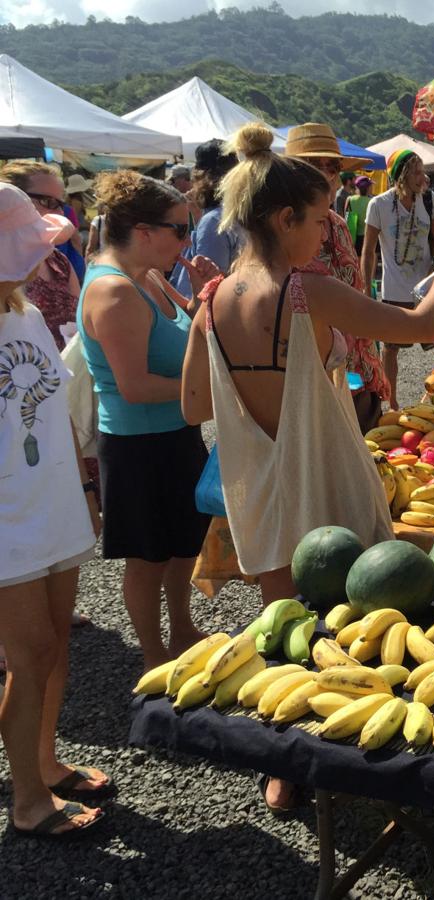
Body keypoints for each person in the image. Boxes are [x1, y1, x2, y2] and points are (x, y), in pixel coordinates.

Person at [180, 124, 434, 813]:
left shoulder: (215, 297)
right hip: (331, 487)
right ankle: (361, 761)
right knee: (359, 634)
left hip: (260, 495)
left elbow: (195, 401)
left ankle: (287, 773)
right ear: (284, 220)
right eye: (318, 219)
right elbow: (427, 327)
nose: (326, 231)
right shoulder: (309, 292)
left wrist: (205, 318)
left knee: (285, 633)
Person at [75, 171, 219, 670]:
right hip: (140, 446)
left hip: (175, 434)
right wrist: (210, 397)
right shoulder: (115, 292)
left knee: (183, 544)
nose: (187, 241)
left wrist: (204, 296)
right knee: (148, 557)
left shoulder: (149, 276)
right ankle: (153, 654)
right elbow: (133, 387)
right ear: (143, 231)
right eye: (181, 230)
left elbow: (194, 335)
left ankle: (181, 628)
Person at [0, 184, 108, 837]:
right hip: (8, 516)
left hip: (53, 502)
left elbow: (59, 412)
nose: (43, 254)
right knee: (30, 649)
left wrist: (87, 496)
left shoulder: (27, 316)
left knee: (57, 640)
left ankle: (43, 762)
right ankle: (28, 800)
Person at [283, 123, 390, 428]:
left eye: (333, 166)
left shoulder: (339, 224)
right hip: (315, 382)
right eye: (317, 166)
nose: (328, 174)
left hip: (360, 376)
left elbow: (356, 296)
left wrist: (375, 371)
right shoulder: (282, 229)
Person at [362, 149, 434, 399]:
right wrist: (367, 291)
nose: (422, 177)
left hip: (426, 288)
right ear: (402, 174)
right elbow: (368, 252)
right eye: (416, 172)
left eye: (423, 171)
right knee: (391, 348)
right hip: (394, 288)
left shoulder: (429, 200)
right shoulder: (379, 205)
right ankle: (393, 400)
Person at [170, 139, 242, 300]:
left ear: (200, 176)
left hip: (202, 312)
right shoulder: (234, 213)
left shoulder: (214, 220)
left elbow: (207, 284)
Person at [0, 162, 86, 281]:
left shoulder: (60, 262)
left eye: (61, 204)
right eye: (47, 201)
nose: (61, 213)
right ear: (12, 199)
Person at [345, 177, 372, 256]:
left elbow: (346, 216)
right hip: (367, 235)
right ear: (368, 188)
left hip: (353, 235)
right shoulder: (371, 201)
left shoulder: (350, 199)